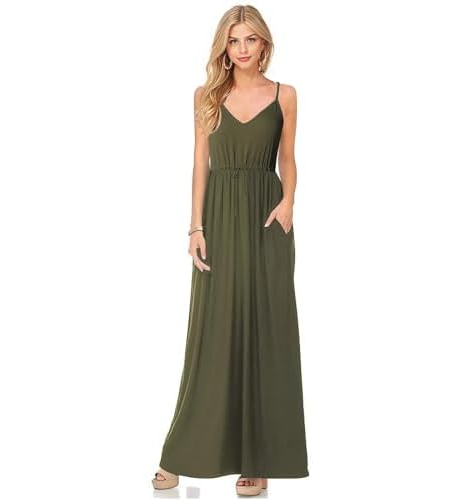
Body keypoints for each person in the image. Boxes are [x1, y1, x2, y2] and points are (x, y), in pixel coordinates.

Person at [152, 5, 309, 496]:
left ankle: (258, 460)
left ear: (264, 44)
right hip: (218, 220)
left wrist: (288, 202)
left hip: (267, 219)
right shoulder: (206, 96)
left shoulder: (285, 95)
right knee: (212, 331)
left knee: (266, 330)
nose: (242, 49)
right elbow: (199, 164)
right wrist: (195, 227)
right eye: (234, 40)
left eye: (251, 39)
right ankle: (182, 453)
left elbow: (288, 159)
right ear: (224, 45)